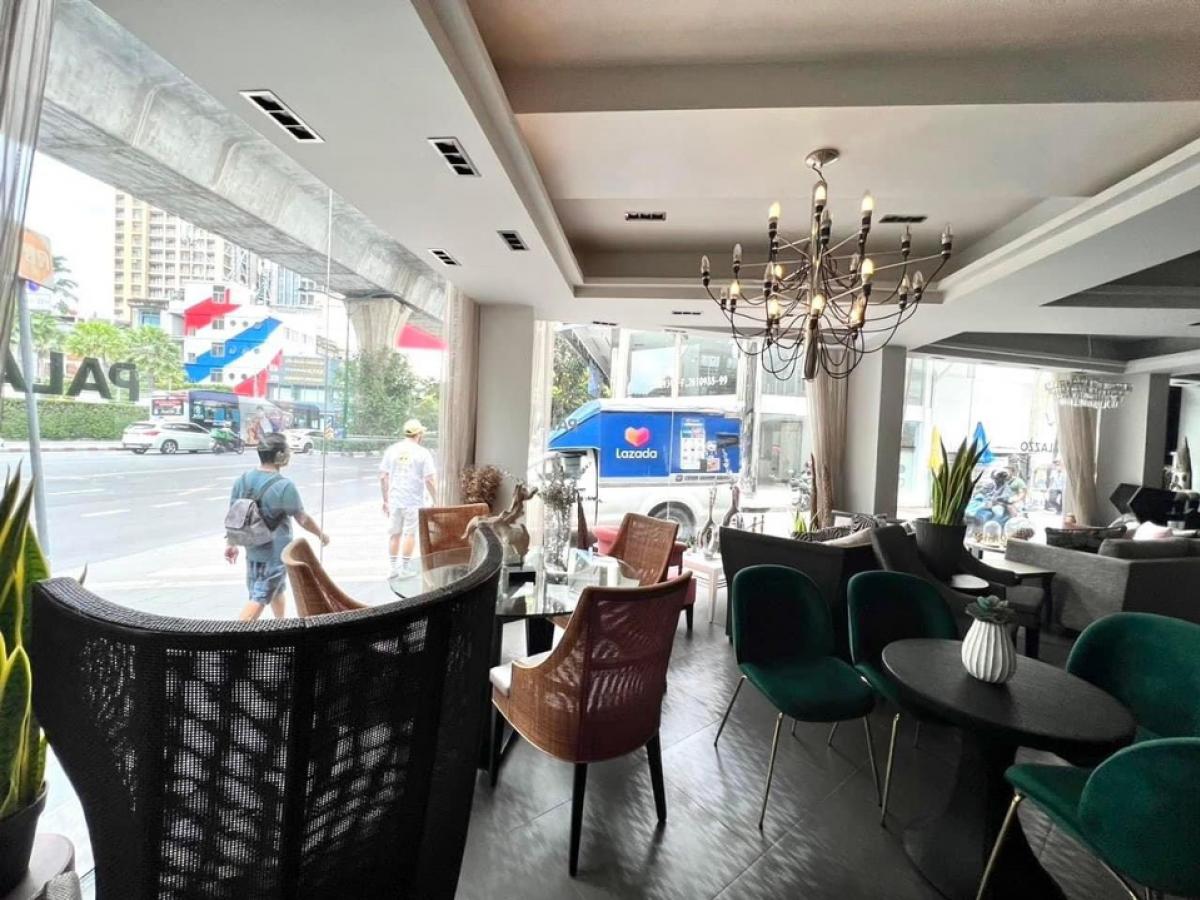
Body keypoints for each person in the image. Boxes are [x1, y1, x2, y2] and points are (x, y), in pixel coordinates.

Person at [224, 432, 330, 621]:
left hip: (252, 549)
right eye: (287, 450)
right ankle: (234, 635)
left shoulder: (243, 480)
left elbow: (235, 515)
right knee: (259, 598)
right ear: (280, 455)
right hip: (274, 553)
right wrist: (321, 534)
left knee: (276, 589)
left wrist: (231, 544)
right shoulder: (284, 486)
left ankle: (280, 624)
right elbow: (302, 518)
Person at [380, 418, 438, 576]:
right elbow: (429, 480)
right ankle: (404, 569)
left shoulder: (392, 450)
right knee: (409, 534)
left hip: (395, 499)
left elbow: (383, 477)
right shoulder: (423, 453)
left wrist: (385, 500)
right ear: (419, 434)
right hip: (413, 500)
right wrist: (436, 499)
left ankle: (393, 569)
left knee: (395, 533)